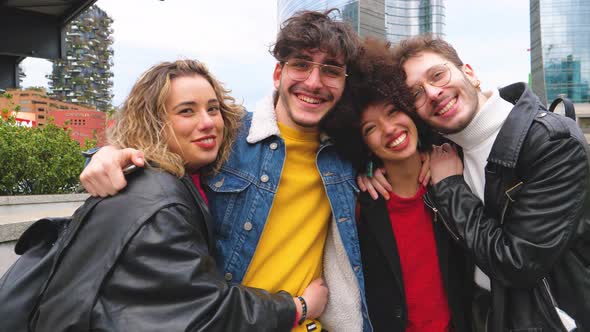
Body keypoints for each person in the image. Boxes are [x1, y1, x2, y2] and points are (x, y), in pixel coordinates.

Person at [79, 10, 383, 331]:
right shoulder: (228, 136)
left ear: (344, 83)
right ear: (278, 74)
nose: (314, 81)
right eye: (301, 64)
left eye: (331, 71)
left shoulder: (346, 154)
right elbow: (155, 157)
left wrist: (377, 170)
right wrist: (106, 155)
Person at [22, 59, 329, 331]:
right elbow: (207, 312)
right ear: (154, 122)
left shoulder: (180, 177)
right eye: (186, 112)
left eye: (213, 109)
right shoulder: (160, 201)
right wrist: (299, 307)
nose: (207, 122)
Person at [362, 35, 590, 331]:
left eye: (438, 75)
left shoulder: (550, 141)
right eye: (415, 93)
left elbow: (516, 262)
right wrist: (367, 167)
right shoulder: (446, 145)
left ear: (469, 72)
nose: (432, 93)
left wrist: (450, 188)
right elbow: (385, 134)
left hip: (547, 318)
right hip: (481, 314)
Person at [322, 38, 473, 332]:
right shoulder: (359, 203)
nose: (389, 130)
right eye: (370, 128)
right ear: (361, 143)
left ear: (410, 109)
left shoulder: (454, 174)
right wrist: (363, 171)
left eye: (393, 112)